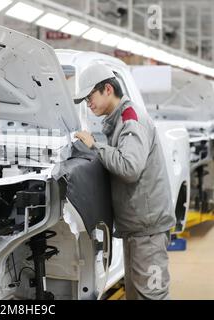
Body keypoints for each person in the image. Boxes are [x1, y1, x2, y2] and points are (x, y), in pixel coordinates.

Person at [74, 64, 176, 300]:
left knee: (152, 295)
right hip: (137, 228)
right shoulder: (119, 120)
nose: (88, 104)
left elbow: (130, 168)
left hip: (148, 231)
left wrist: (95, 146)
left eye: (90, 97)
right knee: (137, 294)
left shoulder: (131, 119)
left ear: (107, 89)